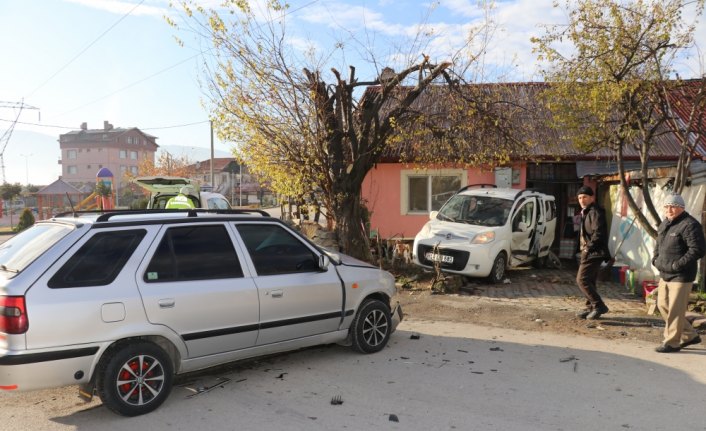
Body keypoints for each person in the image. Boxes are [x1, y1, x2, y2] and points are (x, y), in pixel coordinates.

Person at [651, 193, 706, 353]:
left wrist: (677, 265)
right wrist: (655, 259)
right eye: (667, 206)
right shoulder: (665, 224)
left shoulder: (690, 225)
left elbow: (698, 249)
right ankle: (689, 334)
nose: (669, 209)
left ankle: (672, 342)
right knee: (662, 305)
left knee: (675, 309)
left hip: (681, 275)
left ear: (682, 208)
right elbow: (658, 243)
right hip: (664, 272)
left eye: (673, 206)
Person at [575, 185, 611, 320]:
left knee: (582, 280)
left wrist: (587, 248)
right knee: (590, 280)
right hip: (592, 251)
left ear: (592, 198)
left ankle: (599, 305)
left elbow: (599, 233)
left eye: (585, 197)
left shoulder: (595, 211)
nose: (582, 200)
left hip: (594, 252)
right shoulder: (587, 211)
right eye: (579, 197)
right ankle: (590, 307)